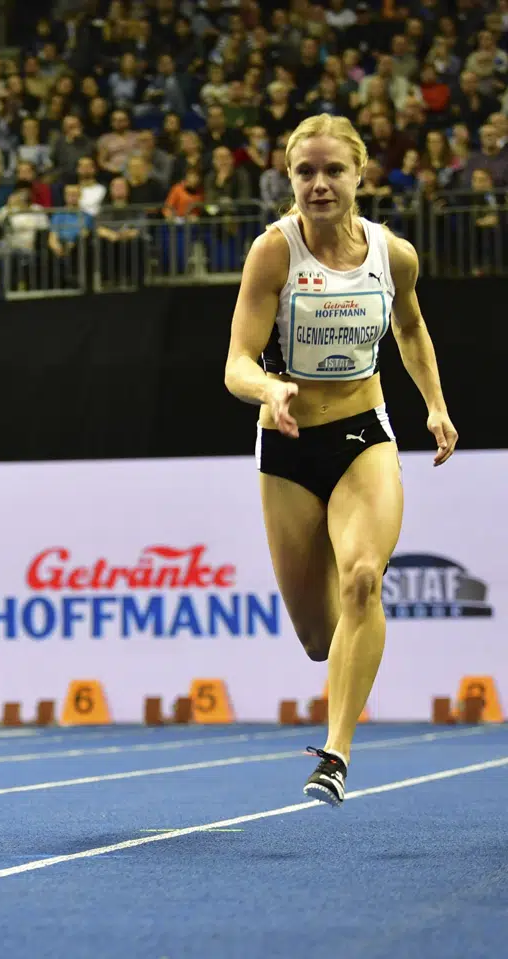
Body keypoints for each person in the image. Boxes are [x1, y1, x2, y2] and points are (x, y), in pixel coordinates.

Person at [224, 115, 458, 806]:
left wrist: (436, 405)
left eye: (332, 171)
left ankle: (335, 753)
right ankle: (336, 666)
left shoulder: (395, 255)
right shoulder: (274, 252)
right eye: (304, 172)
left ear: (360, 176)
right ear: (288, 178)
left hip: (365, 432)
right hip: (290, 445)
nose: (319, 184)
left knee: (362, 577)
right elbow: (236, 362)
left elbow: (410, 326)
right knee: (318, 637)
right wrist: (269, 387)